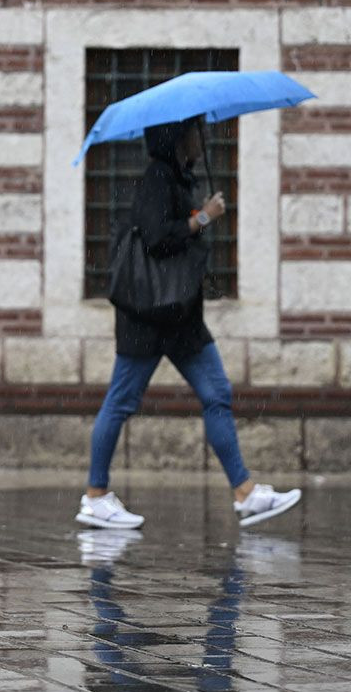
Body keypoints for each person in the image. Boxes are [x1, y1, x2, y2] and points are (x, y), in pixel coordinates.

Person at [76, 120, 301, 530]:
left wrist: (201, 214)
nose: (202, 138)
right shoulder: (156, 179)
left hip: (179, 317)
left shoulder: (178, 176)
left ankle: (245, 493)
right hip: (147, 317)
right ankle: (95, 496)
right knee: (121, 401)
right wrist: (204, 216)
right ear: (176, 139)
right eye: (194, 132)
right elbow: (156, 239)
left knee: (217, 393)